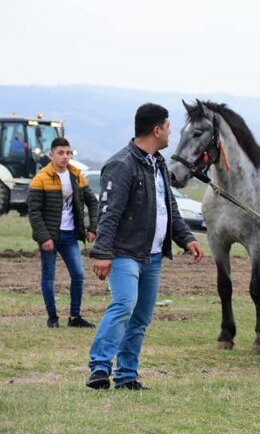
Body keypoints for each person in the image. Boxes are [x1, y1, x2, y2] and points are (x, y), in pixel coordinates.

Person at [85, 103, 204, 391]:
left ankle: (127, 376)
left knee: (140, 317)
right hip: (124, 252)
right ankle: (99, 368)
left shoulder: (158, 163)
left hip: (152, 256)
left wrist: (186, 238)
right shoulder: (122, 164)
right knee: (124, 305)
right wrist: (101, 253)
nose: (170, 133)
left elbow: (169, 207)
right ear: (157, 129)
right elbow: (109, 212)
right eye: (168, 127)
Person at [27, 137, 99, 328]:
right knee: (49, 276)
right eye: (60, 153)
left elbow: (93, 202)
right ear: (51, 155)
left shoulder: (77, 176)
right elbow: (34, 212)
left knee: (78, 274)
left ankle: (74, 317)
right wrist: (44, 237)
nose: (65, 157)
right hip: (50, 236)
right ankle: (53, 317)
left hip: (70, 235)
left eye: (68, 153)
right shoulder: (40, 178)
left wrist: (93, 227)